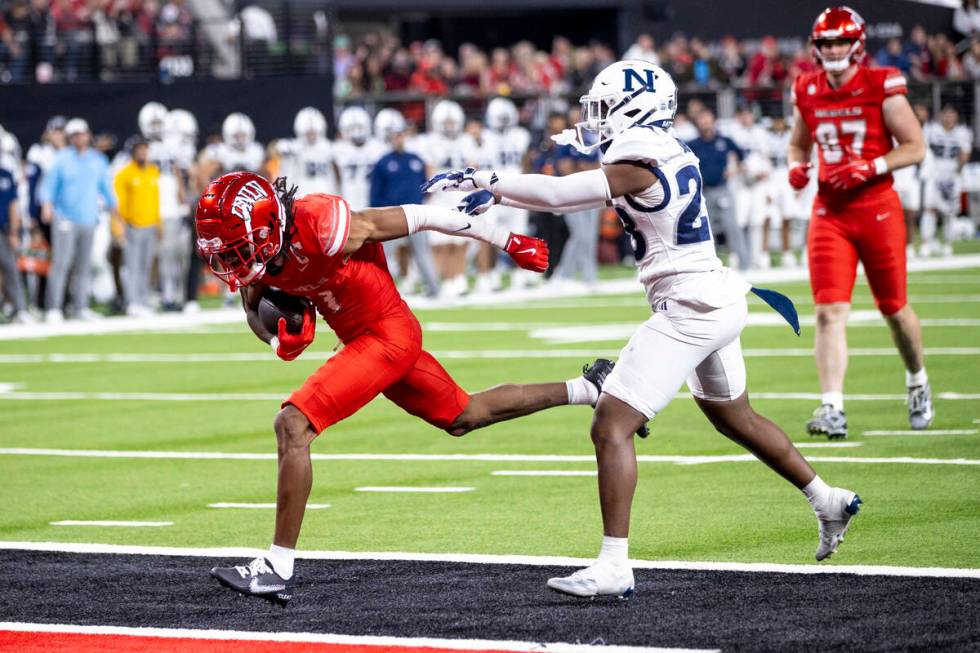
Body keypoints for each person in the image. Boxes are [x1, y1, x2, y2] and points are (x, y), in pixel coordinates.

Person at [425, 59, 861, 599]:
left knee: (610, 424)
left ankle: (614, 564)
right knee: (734, 417)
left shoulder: (641, 157)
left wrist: (487, 180)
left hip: (689, 306)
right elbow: (584, 170)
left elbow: (565, 195)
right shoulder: (662, 148)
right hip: (713, 294)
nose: (598, 119)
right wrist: (505, 191)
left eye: (605, 108)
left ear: (637, 108)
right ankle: (827, 498)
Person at [202, 172, 610, 604]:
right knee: (463, 415)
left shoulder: (321, 223)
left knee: (293, 425)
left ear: (267, 226)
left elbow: (424, 216)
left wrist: (508, 242)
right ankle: (589, 387)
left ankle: (276, 567)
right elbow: (252, 309)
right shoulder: (259, 259)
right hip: (366, 340)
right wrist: (276, 340)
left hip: (386, 334)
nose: (234, 260)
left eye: (237, 247)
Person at [788, 6, 932, 438]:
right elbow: (798, 145)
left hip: (877, 208)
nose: (833, 49)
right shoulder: (807, 88)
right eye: (826, 42)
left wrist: (870, 167)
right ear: (817, 47)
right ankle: (832, 406)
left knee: (894, 309)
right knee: (829, 311)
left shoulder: (881, 84)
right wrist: (796, 167)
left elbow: (915, 146)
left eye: (839, 41)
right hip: (831, 212)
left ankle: (917, 380)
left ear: (857, 44)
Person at [39, 118, 119, 322]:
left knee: (84, 266)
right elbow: (48, 187)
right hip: (65, 218)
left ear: (88, 135)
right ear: (69, 138)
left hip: (89, 218)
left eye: (81, 134)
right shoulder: (61, 159)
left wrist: (116, 212)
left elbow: (106, 189)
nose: (78, 138)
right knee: (61, 264)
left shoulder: (97, 160)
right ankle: (54, 308)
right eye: (73, 135)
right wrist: (47, 206)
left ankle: (80, 307)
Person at [371, 108, 441, 298]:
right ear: (391, 138)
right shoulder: (383, 162)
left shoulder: (416, 159)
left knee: (422, 253)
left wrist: (422, 202)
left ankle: (434, 289)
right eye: (396, 136)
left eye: (401, 135)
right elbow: (375, 193)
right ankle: (380, 292)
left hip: (415, 214)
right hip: (392, 215)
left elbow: (426, 185)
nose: (399, 139)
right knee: (384, 256)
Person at [685, 109, 749, 269]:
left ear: (714, 120)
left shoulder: (724, 140)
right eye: (701, 119)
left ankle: (745, 264)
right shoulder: (693, 144)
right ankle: (709, 266)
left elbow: (742, 156)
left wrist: (736, 169)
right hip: (703, 192)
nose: (705, 122)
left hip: (722, 189)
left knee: (732, 226)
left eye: (707, 118)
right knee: (706, 230)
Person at [114, 138, 160, 316]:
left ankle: (142, 300)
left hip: (151, 226)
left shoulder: (153, 171)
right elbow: (118, 204)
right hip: (132, 226)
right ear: (133, 152)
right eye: (139, 150)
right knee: (132, 266)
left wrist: (159, 225)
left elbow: (156, 200)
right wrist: (118, 229)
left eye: (145, 150)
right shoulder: (124, 174)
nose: (142, 153)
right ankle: (132, 302)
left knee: (145, 266)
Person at [921, 105, 971, 257]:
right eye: (946, 115)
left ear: (956, 117)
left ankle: (947, 243)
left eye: (952, 115)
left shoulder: (963, 132)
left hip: (952, 175)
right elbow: (923, 148)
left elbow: (965, 153)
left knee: (950, 212)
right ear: (941, 116)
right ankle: (927, 243)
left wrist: (957, 171)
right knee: (930, 209)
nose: (948, 118)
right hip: (934, 173)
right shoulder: (931, 130)